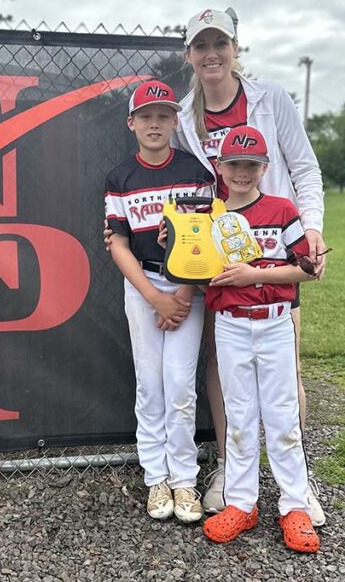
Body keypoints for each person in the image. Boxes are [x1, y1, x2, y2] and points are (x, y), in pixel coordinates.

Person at [175, 7, 327, 523]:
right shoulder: (181, 116)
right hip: (218, 255)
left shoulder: (272, 98)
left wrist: (312, 229)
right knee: (223, 363)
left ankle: (298, 486)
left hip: (276, 248)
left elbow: (304, 165)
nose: (211, 53)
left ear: (236, 47)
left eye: (220, 43)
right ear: (189, 54)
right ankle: (231, 471)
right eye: (201, 45)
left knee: (287, 366)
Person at [200, 125, 320, 552]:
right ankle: (242, 502)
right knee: (240, 415)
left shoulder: (281, 209)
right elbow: (192, 265)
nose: (242, 173)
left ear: (264, 167)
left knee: (283, 416)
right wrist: (173, 239)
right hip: (231, 323)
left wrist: (256, 273)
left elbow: (307, 267)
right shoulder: (211, 216)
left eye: (251, 165)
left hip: (273, 322)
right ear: (221, 166)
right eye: (234, 165)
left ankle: (294, 506)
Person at [104, 80, 214, 524]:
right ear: (131, 123)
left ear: (175, 121)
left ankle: (184, 477)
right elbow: (118, 244)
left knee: (181, 386)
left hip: (189, 287)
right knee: (150, 384)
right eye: (146, 116)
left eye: (163, 115)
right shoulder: (119, 177)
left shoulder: (195, 172)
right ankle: (156, 478)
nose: (155, 123)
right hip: (143, 285)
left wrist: (182, 295)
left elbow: (204, 239)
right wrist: (154, 297)